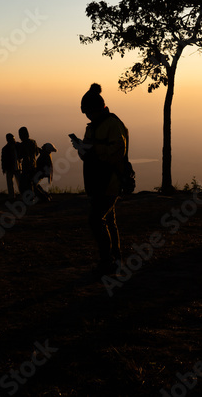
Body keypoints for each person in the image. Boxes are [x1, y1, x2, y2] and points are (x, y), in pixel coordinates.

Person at [71, 83, 128, 277]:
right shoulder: (94, 126)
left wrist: (94, 149)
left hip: (110, 180)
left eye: (88, 112)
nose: (87, 116)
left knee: (96, 220)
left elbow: (118, 150)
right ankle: (115, 258)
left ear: (96, 109)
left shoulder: (112, 124)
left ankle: (107, 261)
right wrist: (81, 148)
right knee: (108, 220)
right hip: (97, 181)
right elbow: (89, 154)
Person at [16, 127, 40, 199]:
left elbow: (20, 156)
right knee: (31, 183)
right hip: (34, 164)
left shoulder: (23, 144)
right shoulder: (33, 142)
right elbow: (37, 152)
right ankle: (32, 197)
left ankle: (29, 198)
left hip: (26, 165)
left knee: (24, 184)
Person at [0, 133, 21, 199]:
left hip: (17, 167)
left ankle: (18, 196)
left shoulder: (17, 146)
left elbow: (3, 160)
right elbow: (3, 159)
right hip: (10, 168)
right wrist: (3, 168)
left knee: (19, 183)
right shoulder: (5, 149)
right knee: (10, 183)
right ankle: (12, 197)